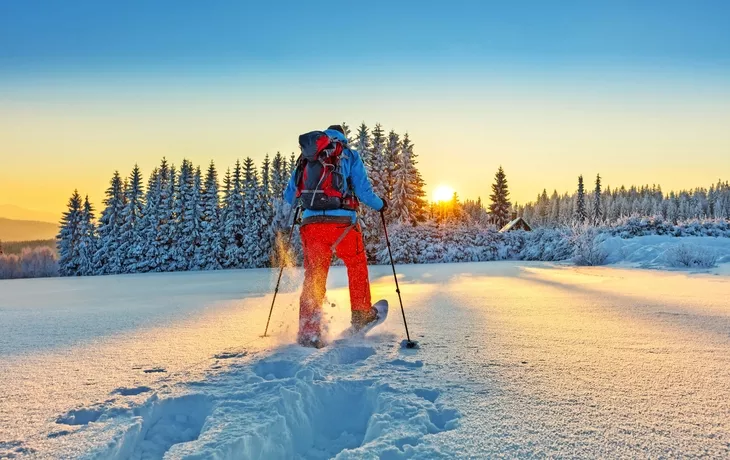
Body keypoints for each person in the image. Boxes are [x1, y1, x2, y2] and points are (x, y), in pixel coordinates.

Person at [284, 125, 386, 347]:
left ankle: (309, 332)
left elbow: (289, 195)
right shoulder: (348, 154)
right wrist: (381, 205)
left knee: (314, 275)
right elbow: (363, 191)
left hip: (311, 226)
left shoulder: (307, 157)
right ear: (343, 137)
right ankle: (361, 315)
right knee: (356, 264)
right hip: (343, 225)